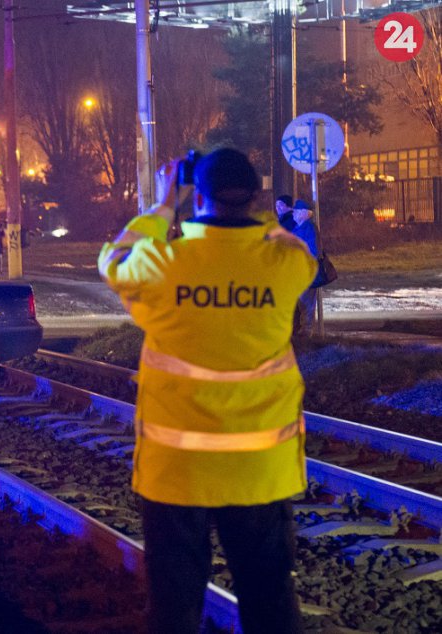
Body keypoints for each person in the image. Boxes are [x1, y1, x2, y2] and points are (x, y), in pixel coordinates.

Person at [98, 148, 317, 634]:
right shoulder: (281, 265)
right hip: (259, 470)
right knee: (270, 602)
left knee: (174, 607)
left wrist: (163, 205)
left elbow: (114, 259)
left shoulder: (164, 265)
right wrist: (263, 220)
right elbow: (298, 248)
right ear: (255, 199)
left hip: (177, 471)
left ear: (197, 197)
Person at [291, 199, 319, 335]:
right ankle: (304, 331)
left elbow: (313, 251)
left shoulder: (308, 228)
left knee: (306, 303)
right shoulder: (298, 227)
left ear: (303, 213)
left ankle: (307, 332)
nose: (293, 214)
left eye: (296, 211)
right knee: (302, 303)